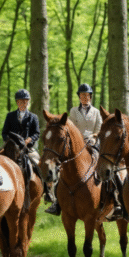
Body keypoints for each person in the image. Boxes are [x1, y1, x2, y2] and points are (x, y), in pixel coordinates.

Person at [44, 83, 106, 217]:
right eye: (82, 95)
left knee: (101, 165)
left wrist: (94, 136)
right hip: (77, 144)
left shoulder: (96, 112)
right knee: (62, 168)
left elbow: (100, 128)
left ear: (90, 96)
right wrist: (79, 139)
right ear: (79, 97)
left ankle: (107, 197)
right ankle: (56, 203)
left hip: (93, 142)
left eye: (87, 95)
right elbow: (70, 128)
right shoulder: (73, 111)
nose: (84, 97)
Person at [1, 88, 40, 167]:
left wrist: (28, 140)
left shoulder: (33, 117)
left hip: (27, 148)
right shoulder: (10, 116)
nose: (24, 103)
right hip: (11, 147)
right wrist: (11, 142)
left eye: (26, 101)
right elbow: (4, 133)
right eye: (22, 101)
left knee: (37, 162)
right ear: (17, 102)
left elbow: (36, 133)